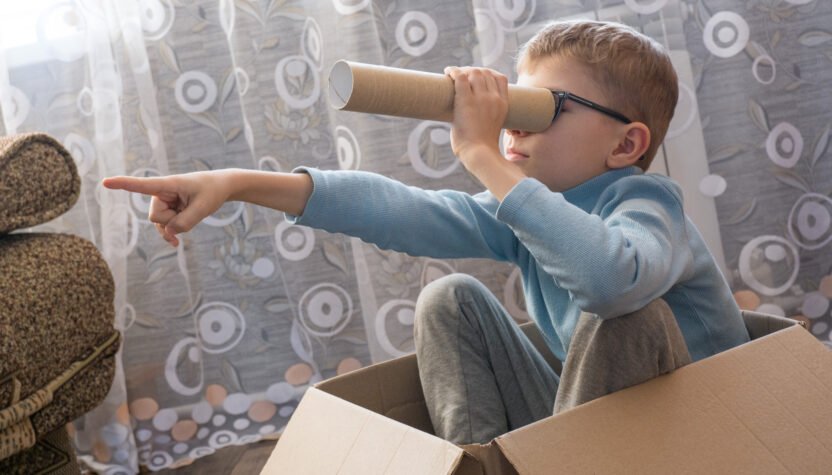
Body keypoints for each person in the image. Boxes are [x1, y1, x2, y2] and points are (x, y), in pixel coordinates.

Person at [103, 20, 750, 445]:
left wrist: (483, 155)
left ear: (625, 144)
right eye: (514, 106)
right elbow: (398, 210)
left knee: (630, 317)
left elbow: (609, 282)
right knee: (450, 299)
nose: (513, 127)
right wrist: (235, 182)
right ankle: (483, 462)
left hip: (703, 436)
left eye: (543, 110)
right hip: (590, 436)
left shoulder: (648, 205)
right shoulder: (530, 210)